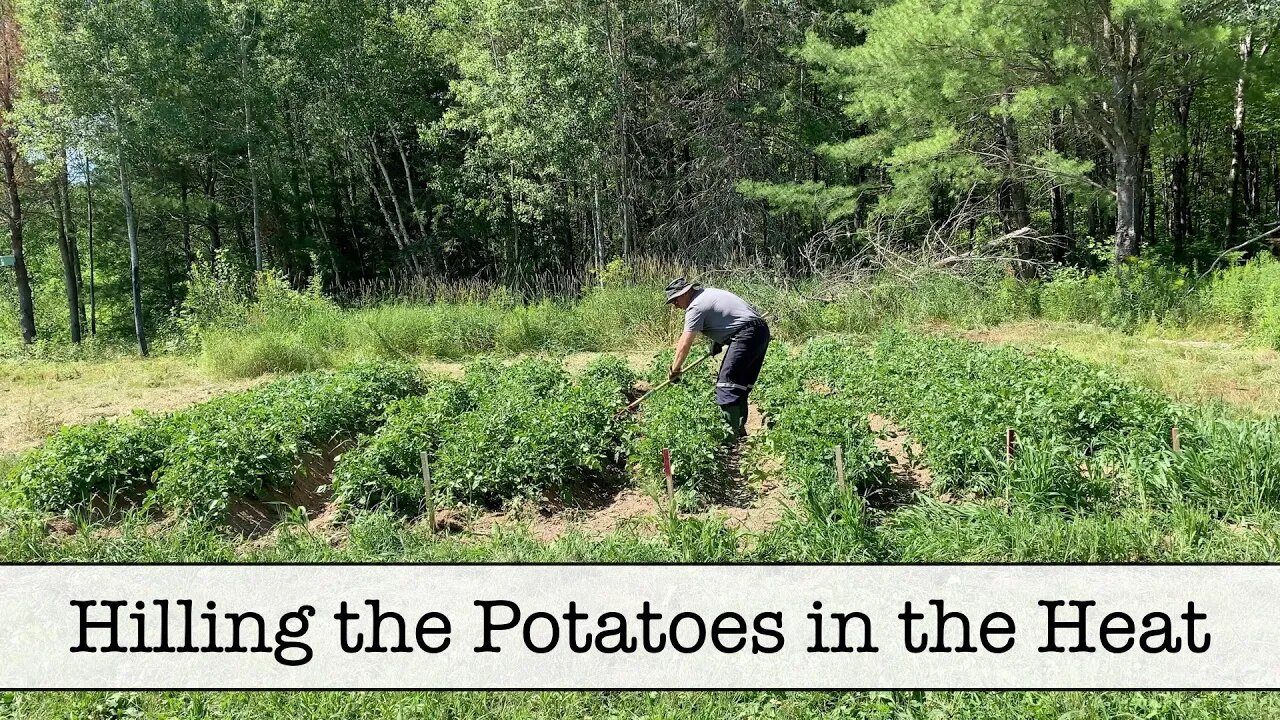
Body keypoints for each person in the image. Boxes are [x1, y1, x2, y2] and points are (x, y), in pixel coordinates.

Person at [664, 277, 771, 436]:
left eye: (675, 299)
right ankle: (739, 433)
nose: (675, 305)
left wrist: (675, 369)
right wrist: (719, 342)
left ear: (685, 293)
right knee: (740, 385)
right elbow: (729, 317)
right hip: (760, 331)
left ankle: (730, 436)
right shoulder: (709, 293)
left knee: (726, 385)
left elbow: (684, 343)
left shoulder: (695, 306)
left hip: (746, 334)